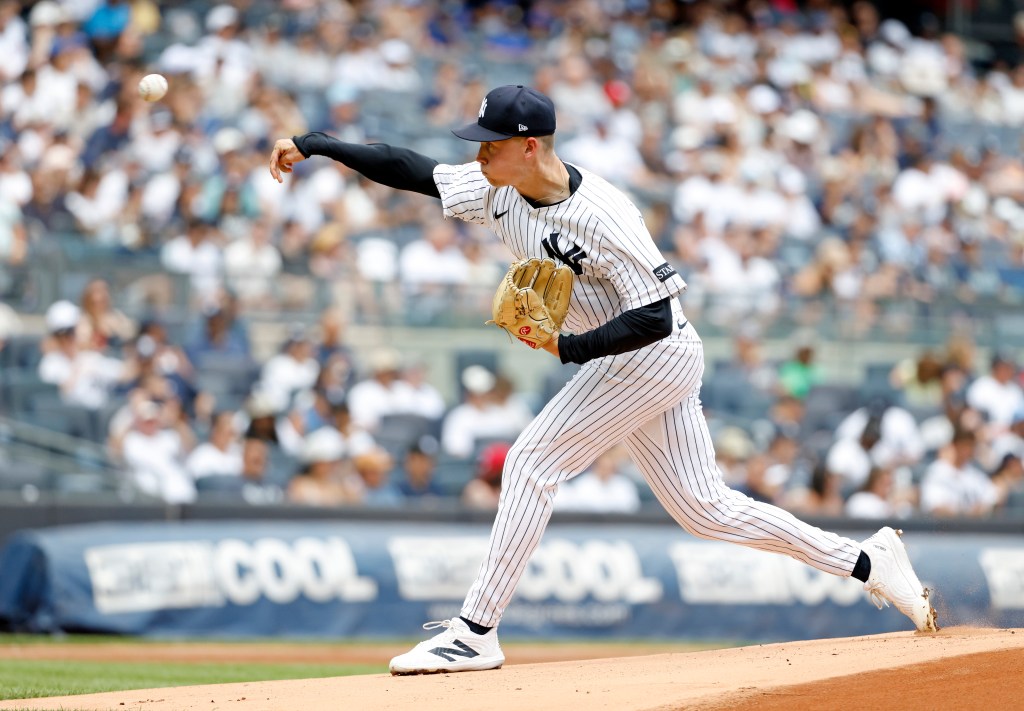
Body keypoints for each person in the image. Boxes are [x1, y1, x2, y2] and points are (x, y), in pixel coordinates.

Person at [268, 84, 937, 675]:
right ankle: (869, 562)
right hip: (637, 359)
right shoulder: (498, 190)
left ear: (529, 147)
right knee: (706, 509)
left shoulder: (605, 214)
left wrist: (571, 345)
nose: (478, 155)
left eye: (490, 144)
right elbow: (412, 170)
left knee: (530, 459)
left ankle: (473, 632)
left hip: (652, 350)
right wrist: (319, 144)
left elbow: (657, 313)